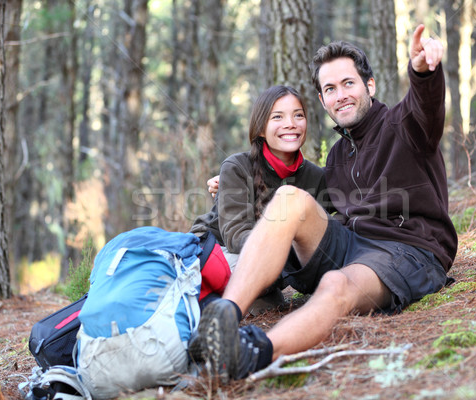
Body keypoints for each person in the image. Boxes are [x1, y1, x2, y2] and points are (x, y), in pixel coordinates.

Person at [189, 24, 458, 381]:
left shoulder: (403, 125)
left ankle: (253, 353)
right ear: (322, 101)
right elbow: (302, 202)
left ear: (370, 86)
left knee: (336, 284)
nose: (341, 95)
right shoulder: (336, 158)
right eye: (330, 89)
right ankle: (223, 318)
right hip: (353, 245)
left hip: (407, 251)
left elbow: (425, 106)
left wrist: (422, 73)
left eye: (349, 83)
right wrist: (237, 188)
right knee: (288, 199)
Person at [189, 85, 330, 310]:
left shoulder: (315, 176)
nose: (290, 123)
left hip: (266, 261)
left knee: (269, 292)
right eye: (278, 117)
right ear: (261, 128)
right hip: (218, 251)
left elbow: (329, 231)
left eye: (298, 115)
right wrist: (282, 252)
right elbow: (236, 237)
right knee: (257, 273)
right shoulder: (237, 167)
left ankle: (252, 295)